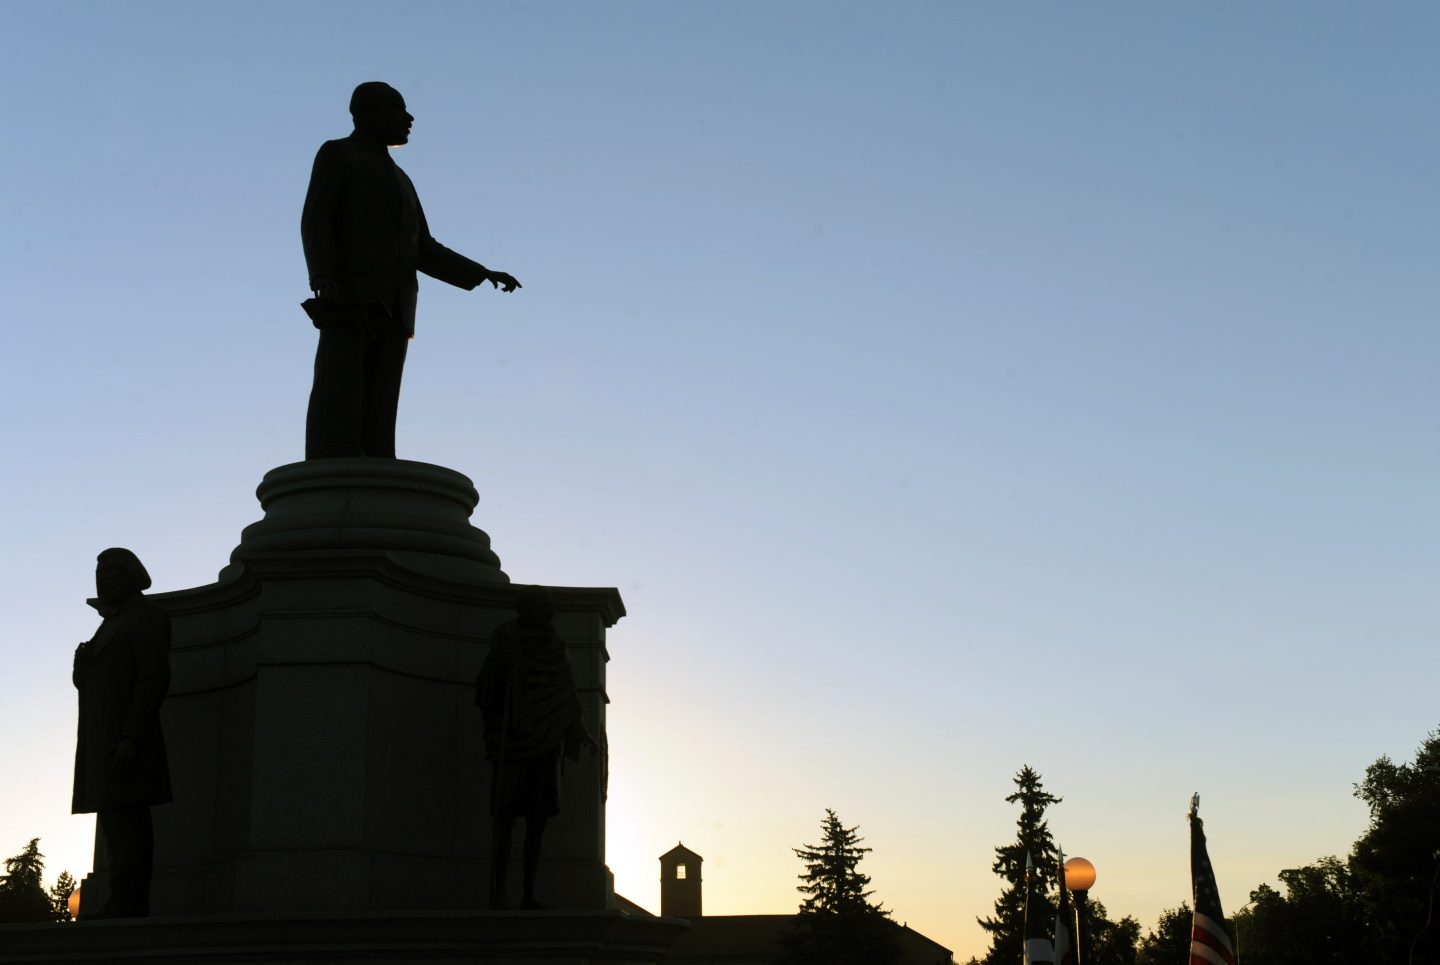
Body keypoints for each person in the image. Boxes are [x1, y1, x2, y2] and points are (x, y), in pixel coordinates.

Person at [301, 81, 521, 459]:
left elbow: (423, 248)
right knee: (342, 385)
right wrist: (323, 275)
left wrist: (482, 272)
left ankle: (379, 461)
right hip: (350, 295)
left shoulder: (403, 180)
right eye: (398, 109)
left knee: (383, 398)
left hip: (398, 304)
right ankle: (334, 462)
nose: (409, 118)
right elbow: (317, 219)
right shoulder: (338, 154)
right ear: (367, 114)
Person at [475, 585, 594, 909]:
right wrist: (503, 668)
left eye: (551, 607)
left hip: (546, 742)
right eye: (545, 606)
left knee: (538, 821)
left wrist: (578, 728)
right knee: (505, 817)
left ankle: (529, 893)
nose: (552, 612)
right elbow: (484, 689)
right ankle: (499, 891)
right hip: (513, 740)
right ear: (526, 609)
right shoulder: (506, 637)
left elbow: (566, 691)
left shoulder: (555, 644)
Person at [71, 548, 171, 918]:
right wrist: (81, 670)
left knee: (129, 822)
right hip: (103, 740)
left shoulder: (146, 616)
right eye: (98, 574)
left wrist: (131, 736)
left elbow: (152, 678)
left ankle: (129, 901)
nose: (102, 580)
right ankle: (120, 898)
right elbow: (99, 682)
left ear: (130, 576)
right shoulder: (110, 622)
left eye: (110, 573)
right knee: (114, 821)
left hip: (128, 742)